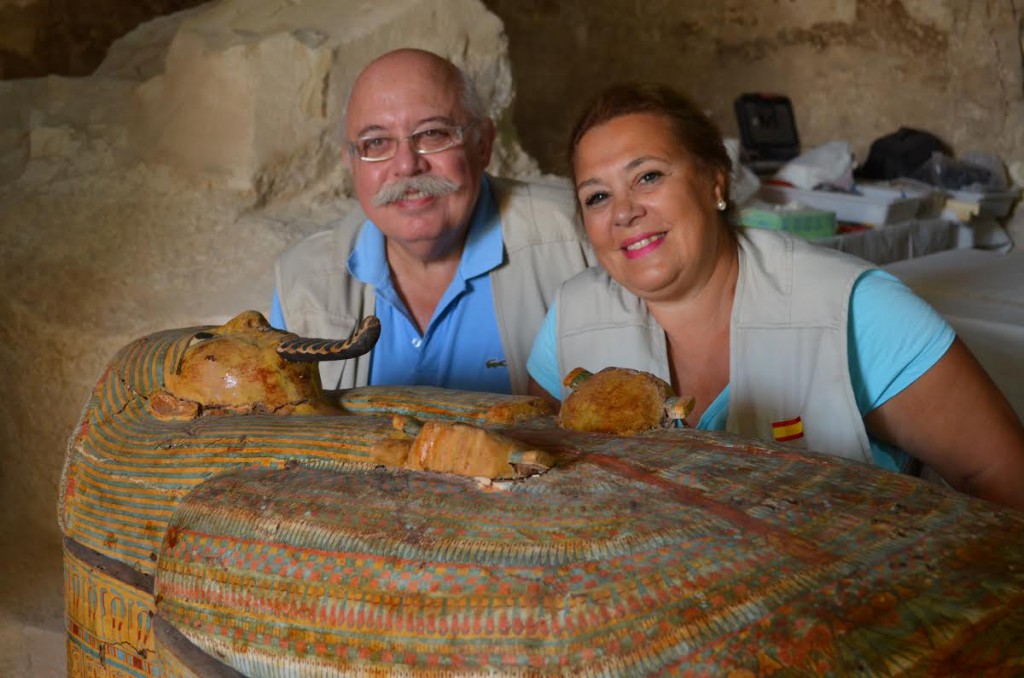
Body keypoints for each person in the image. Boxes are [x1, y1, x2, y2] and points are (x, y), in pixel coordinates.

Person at [527, 82, 1024, 511]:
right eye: (597, 196)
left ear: (715, 179)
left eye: (649, 176)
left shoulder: (852, 308)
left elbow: (999, 477)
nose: (624, 211)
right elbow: (539, 473)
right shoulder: (573, 318)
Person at [271, 49, 593, 394]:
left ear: (483, 144)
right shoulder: (303, 282)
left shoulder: (578, 243)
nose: (407, 166)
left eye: (433, 134)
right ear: (350, 162)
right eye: (376, 143)